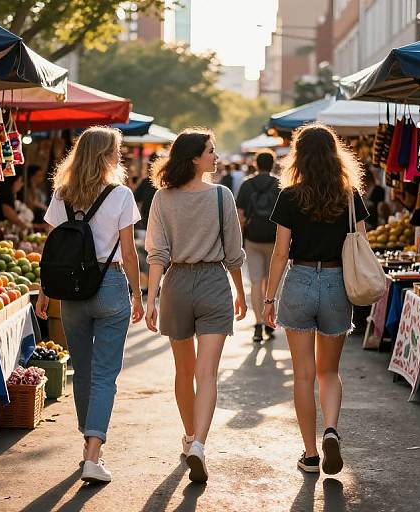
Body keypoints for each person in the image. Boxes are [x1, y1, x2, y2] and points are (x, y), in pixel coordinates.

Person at [36, 126, 144, 483]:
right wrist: (138, 294)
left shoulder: (62, 193)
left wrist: (44, 291)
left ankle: (88, 442)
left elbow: (51, 248)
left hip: (69, 289)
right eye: (117, 150)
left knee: (81, 371)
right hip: (110, 284)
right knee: (105, 375)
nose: (120, 156)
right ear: (104, 156)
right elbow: (128, 253)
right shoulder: (121, 195)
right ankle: (93, 454)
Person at [263, 123, 368, 475]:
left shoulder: (290, 196)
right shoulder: (350, 194)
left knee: (303, 374)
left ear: (300, 156)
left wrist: (268, 299)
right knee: (330, 371)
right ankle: (332, 430)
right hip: (339, 282)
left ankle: (310, 454)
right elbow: (360, 243)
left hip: (300, 281)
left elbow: (280, 252)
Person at [145, 128, 247, 483]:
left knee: (183, 372)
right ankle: (200, 443)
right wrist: (240, 292)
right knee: (207, 374)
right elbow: (234, 253)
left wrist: (150, 298)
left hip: (175, 284)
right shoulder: (221, 197)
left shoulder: (162, 199)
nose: (215, 157)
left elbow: (156, 253)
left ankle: (190, 438)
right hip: (214, 283)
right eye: (210, 151)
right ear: (194, 158)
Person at [236, 149, 280, 343]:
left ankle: (258, 323)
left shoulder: (247, 185)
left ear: (255, 163)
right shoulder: (279, 185)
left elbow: (240, 215)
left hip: (253, 239)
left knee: (255, 282)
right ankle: (271, 323)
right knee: (271, 282)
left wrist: (240, 238)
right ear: (273, 163)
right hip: (274, 239)